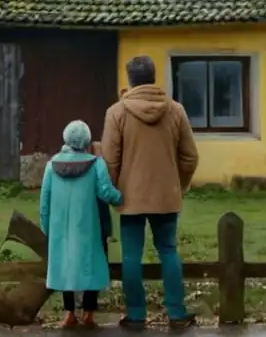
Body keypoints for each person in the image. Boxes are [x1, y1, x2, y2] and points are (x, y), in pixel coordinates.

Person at [101, 55, 199, 329]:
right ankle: (177, 313)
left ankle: (135, 314)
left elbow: (110, 159)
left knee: (131, 255)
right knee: (168, 250)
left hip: (129, 197)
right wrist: (179, 184)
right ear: (154, 77)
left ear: (130, 78)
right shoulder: (176, 110)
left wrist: (114, 189)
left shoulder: (117, 113)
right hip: (166, 195)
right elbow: (190, 157)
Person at [40, 120, 123, 328]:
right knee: (92, 266)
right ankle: (89, 313)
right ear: (86, 140)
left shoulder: (52, 165)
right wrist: (122, 198)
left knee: (65, 267)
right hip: (89, 227)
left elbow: (45, 201)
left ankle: (69, 313)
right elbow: (105, 192)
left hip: (60, 228)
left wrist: (46, 227)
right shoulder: (96, 164)